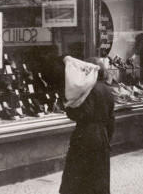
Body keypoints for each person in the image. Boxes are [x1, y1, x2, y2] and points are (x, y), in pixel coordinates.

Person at [59, 57, 115, 194]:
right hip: (101, 136)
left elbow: (82, 114)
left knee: (79, 178)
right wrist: (107, 137)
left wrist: (69, 108)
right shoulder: (108, 90)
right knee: (98, 178)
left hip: (84, 135)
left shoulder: (87, 91)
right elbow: (111, 119)